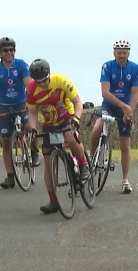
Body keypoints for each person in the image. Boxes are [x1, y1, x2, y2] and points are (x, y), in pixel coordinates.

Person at [25, 58, 90, 214]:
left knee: (70, 137)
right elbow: (32, 113)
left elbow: (78, 102)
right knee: (48, 163)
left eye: (44, 80)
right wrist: (33, 129)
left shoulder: (61, 81)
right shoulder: (31, 90)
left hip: (67, 116)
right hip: (49, 123)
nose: (42, 84)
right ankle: (53, 201)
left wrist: (77, 119)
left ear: (49, 74)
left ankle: (83, 165)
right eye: (38, 81)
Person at [89, 39, 138, 194]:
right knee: (98, 127)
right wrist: (123, 106)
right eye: (119, 52)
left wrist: (129, 111)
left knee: (125, 145)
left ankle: (125, 180)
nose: (122, 55)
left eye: (124, 53)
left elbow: (135, 93)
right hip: (110, 105)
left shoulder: (135, 68)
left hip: (125, 108)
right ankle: (91, 159)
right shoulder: (107, 66)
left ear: (129, 53)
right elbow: (105, 92)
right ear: (114, 53)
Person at [0, 37, 38, 190]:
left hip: (22, 105)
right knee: (6, 142)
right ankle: (10, 176)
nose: (9, 52)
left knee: (30, 128)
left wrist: (34, 102)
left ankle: (34, 151)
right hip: (5, 108)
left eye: (12, 49)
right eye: (6, 50)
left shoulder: (21, 65)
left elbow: (29, 85)